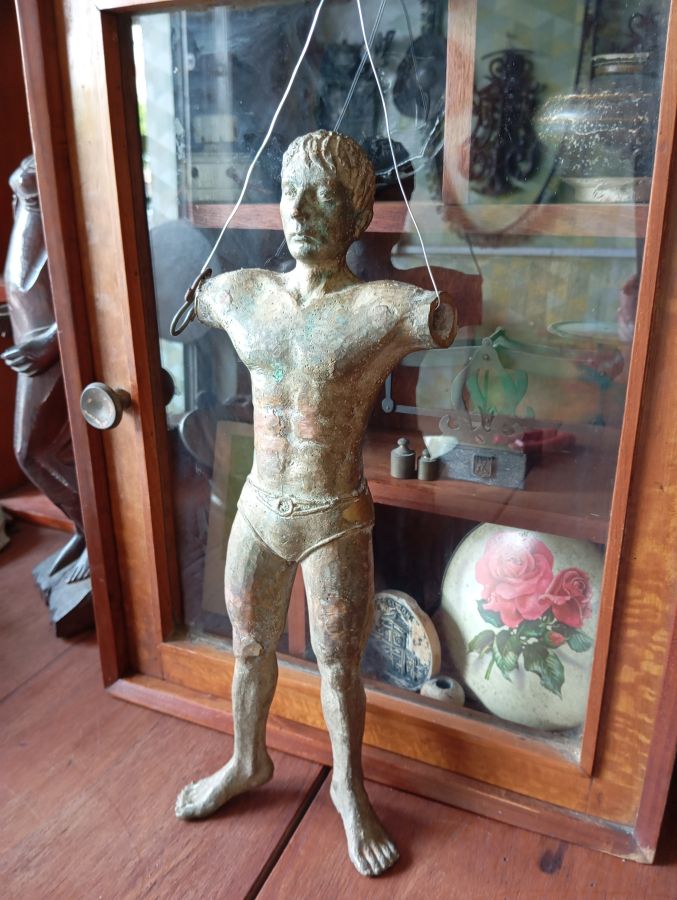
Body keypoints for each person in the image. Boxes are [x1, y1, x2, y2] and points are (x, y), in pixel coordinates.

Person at [175, 130, 457, 877]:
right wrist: (198, 291)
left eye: (324, 195)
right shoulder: (244, 293)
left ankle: (348, 788)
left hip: (334, 516)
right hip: (259, 508)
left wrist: (436, 311)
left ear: (358, 215)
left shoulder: (377, 309)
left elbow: (434, 318)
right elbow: (197, 298)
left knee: (339, 668)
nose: (299, 211)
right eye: (290, 192)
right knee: (248, 647)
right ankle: (247, 759)